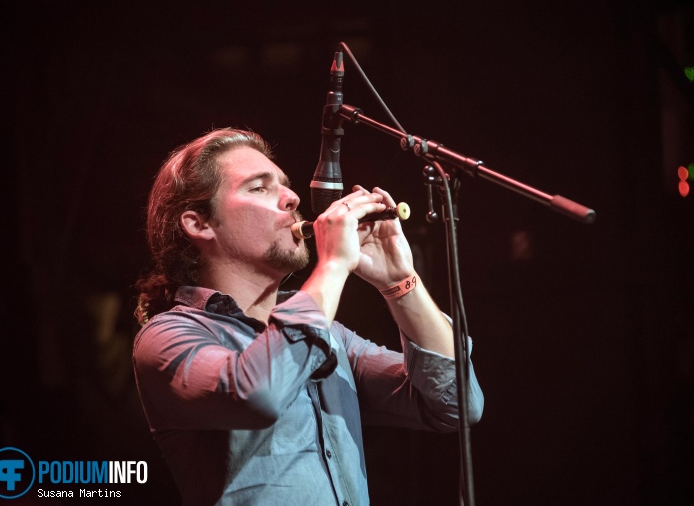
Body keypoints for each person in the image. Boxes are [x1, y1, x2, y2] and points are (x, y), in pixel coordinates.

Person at [132, 128, 484, 506]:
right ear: (199, 224)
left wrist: (399, 281)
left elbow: (456, 404)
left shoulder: (330, 335)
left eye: (284, 184)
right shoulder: (166, 336)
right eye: (259, 188)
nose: (293, 198)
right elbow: (257, 393)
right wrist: (333, 265)